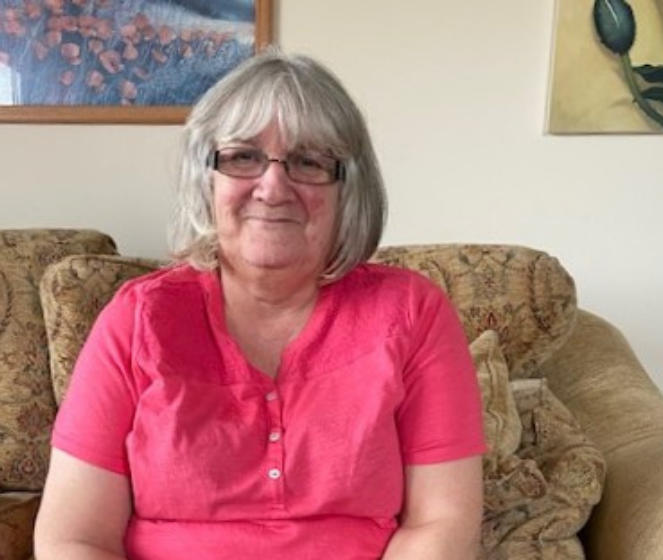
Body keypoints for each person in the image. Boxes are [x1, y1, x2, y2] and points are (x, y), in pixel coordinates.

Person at [34, 49, 486, 560]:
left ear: (348, 191)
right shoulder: (137, 319)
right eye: (243, 157)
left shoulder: (413, 313)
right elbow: (73, 538)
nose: (273, 187)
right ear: (207, 180)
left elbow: (442, 523)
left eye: (309, 162)